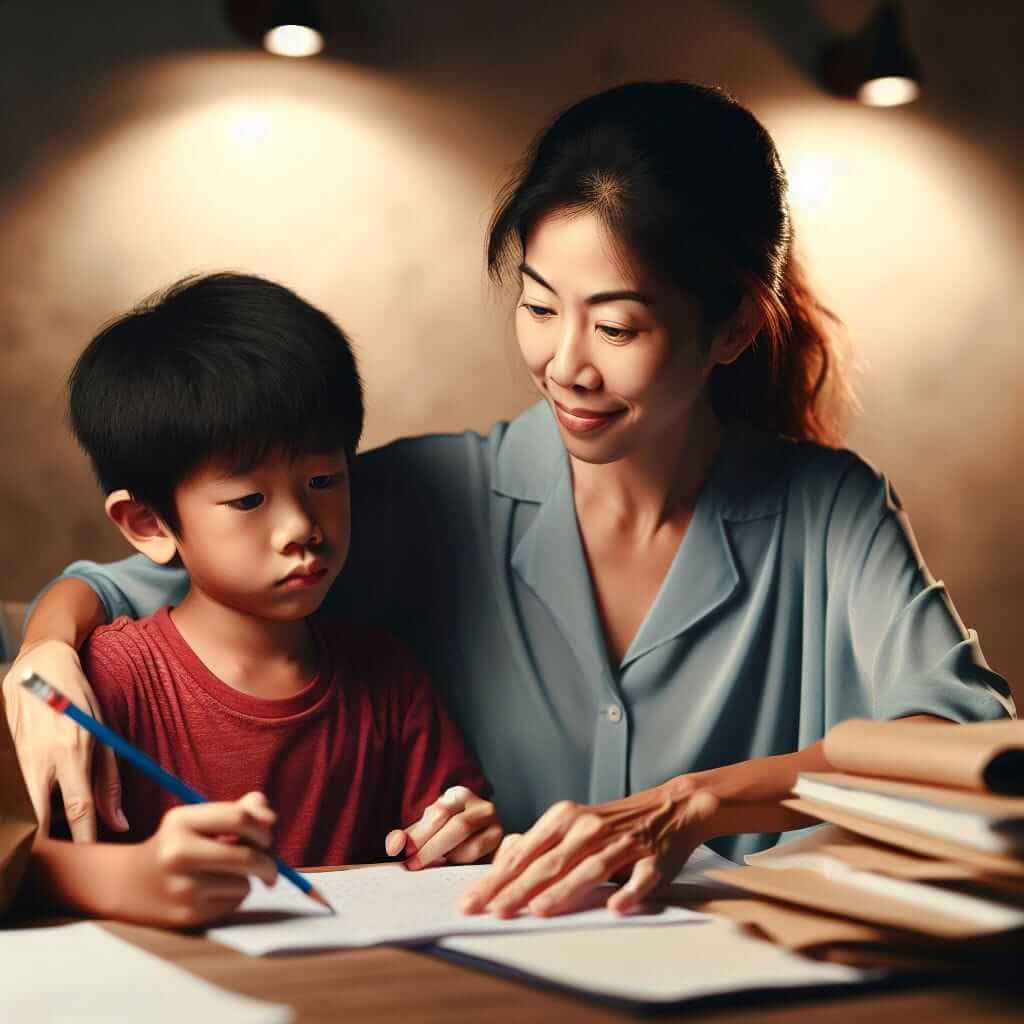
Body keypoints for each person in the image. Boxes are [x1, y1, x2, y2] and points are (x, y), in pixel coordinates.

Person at [4, 83, 1013, 918]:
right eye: (537, 306)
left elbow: (963, 745)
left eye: (616, 326)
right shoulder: (425, 493)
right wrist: (45, 656)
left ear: (734, 328)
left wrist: (694, 803)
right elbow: (138, 579)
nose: (562, 364)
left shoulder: (827, 510)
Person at [9, 273, 500, 924]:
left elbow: (455, 837)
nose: (302, 526)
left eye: (324, 480)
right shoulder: (104, 682)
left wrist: (467, 836)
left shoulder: (388, 676)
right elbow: (13, 860)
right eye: (248, 501)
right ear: (150, 525)